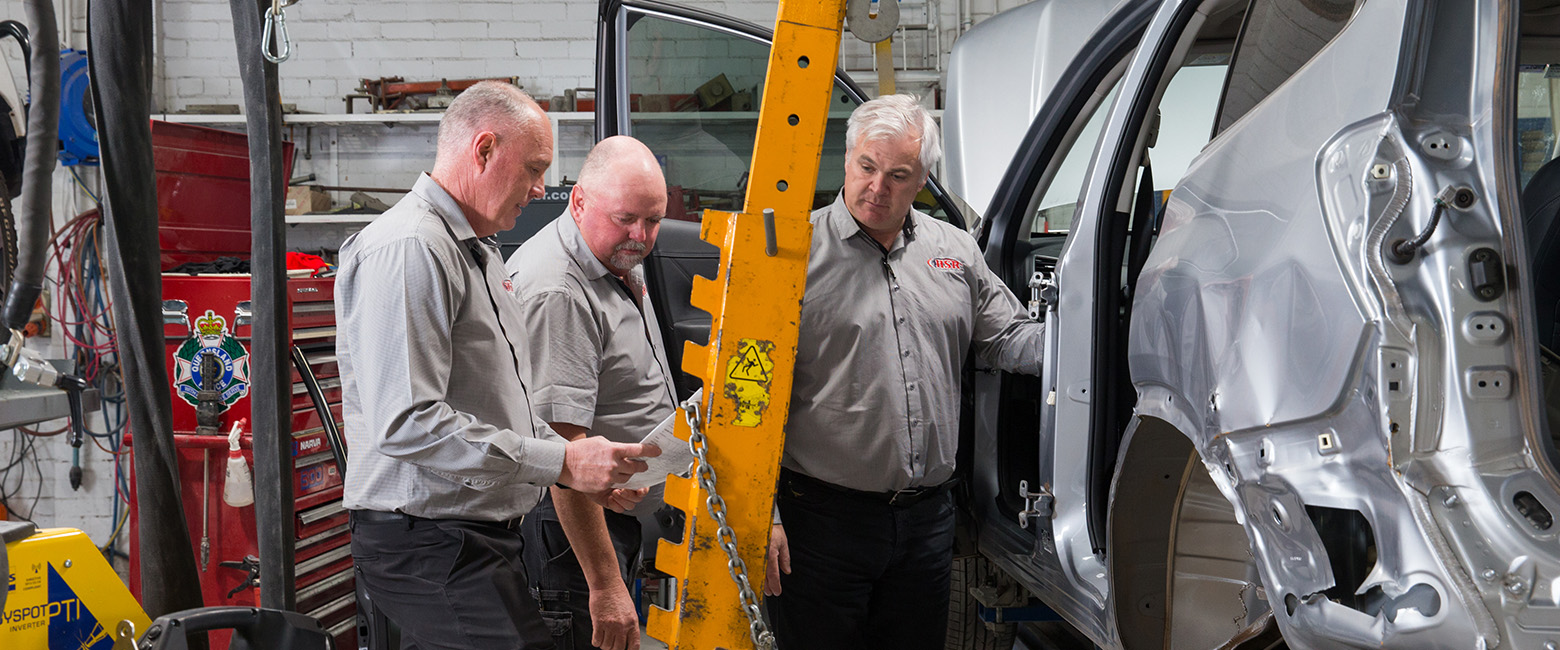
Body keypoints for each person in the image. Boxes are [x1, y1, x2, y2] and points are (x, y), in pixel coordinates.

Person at [336, 81, 659, 650]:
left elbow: (509, 405)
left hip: (474, 538)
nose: (541, 188)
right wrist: (561, 456)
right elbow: (406, 422)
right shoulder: (411, 248)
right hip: (426, 542)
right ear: (484, 150)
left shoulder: (478, 252)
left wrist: (576, 468)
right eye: (534, 168)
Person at [762, 94, 1045, 649]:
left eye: (898, 175)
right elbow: (748, 396)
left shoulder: (955, 252)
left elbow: (1010, 337)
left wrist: (1092, 340)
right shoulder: (789, 257)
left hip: (926, 524)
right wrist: (764, 516)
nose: (877, 187)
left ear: (923, 179)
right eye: (867, 167)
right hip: (819, 523)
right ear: (846, 160)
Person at [506, 135, 677, 650]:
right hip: (572, 536)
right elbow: (563, 453)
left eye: (653, 220)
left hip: (609, 518)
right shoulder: (560, 291)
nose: (641, 235)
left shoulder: (612, 255)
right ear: (578, 202)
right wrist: (604, 585)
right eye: (627, 218)